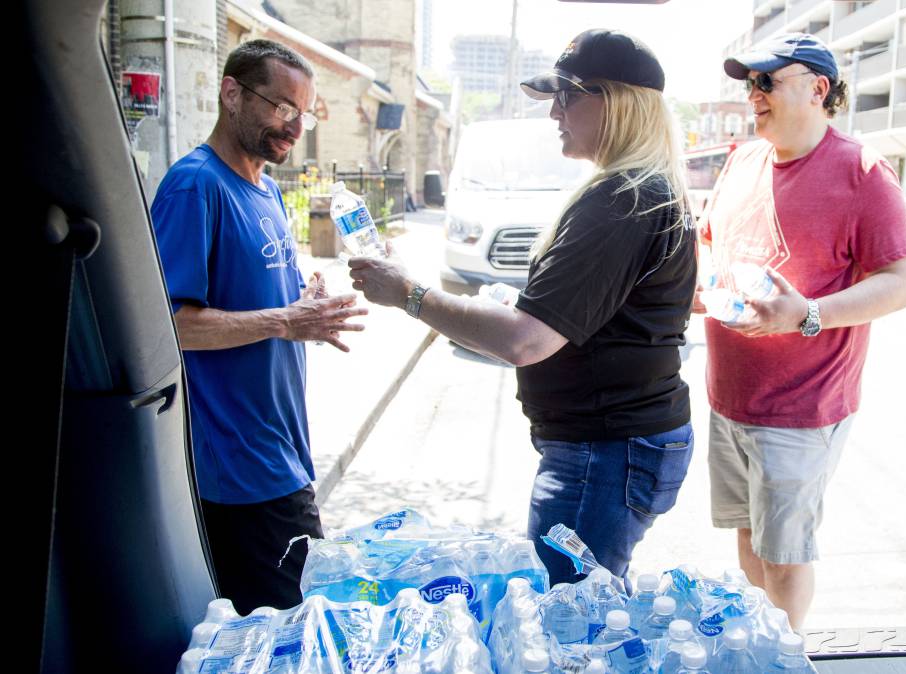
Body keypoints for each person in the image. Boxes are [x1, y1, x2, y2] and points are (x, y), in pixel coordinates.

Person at [348, 29, 696, 585]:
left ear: (617, 102)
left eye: (566, 96)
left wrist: (408, 294)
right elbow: (583, 316)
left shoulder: (623, 199)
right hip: (614, 447)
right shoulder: (641, 190)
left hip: (604, 453)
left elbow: (524, 340)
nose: (554, 112)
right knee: (589, 605)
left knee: (572, 621)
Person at [698, 33, 906, 628]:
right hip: (728, 397)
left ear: (818, 88)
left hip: (802, 408)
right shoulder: (743, 159)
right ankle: (763, 639)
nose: (754, 94)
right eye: (749, 84)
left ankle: (782, 656)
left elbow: (901, 282)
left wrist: (808, 313)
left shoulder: (864, 172)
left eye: (767, 81)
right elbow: (712, 248)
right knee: (750, 542)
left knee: (784, 559)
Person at [151, 39, 367, 613]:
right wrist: (285, 319)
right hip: (239, 472)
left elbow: (254, 299)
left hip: (284, 451)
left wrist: (302, 299)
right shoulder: (194, 186)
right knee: (287, 633)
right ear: (231, 94)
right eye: (282, 107)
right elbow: (170, 324)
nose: (294, 128)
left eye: (304, 113)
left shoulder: (267, 189)